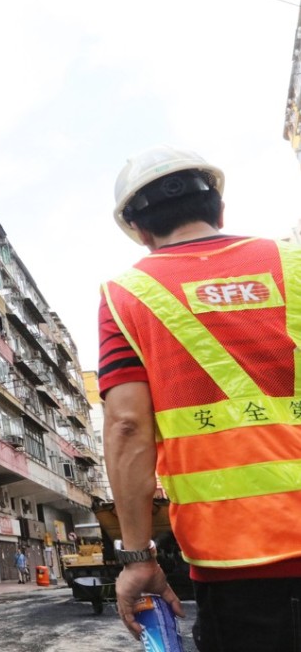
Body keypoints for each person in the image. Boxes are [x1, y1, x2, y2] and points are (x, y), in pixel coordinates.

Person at [99, 145, 301, 651]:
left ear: (140, 232)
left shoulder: (127, 296)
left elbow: (127, 425)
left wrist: (137, 556)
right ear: (220, 211)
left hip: (237, 562)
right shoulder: (294, 264)